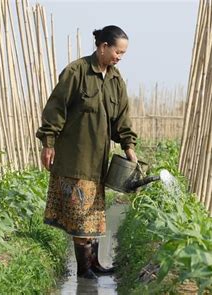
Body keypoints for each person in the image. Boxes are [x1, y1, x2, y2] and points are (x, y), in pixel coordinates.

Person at [36, 25, 138, 280]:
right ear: (103, 47)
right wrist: (48, 143)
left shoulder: (115, 80)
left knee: (93, 214)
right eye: (118, 51)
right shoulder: (76, 72)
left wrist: (129, 147)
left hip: (98, 161)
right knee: (82, 216)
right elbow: (55, 110)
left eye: (123, 54)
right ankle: (84, 270)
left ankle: (95, 264)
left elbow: (122, 119)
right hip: (75, 158)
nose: (120, 57)